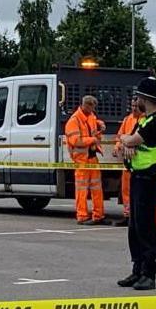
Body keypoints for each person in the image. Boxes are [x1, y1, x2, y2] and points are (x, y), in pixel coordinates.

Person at [117, 77, 156, 291]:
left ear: (146, 99)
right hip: (138, 177)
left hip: (150, 179)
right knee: (135, 227)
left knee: (145, 227)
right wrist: (127, 142)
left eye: (138, 97)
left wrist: (128, 142)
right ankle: (138, 269)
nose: (136, 101)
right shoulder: (145, 120)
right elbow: (127, 141)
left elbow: (130, 141)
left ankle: (149, 273)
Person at [66, 95, 106, 225]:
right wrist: (93, 140)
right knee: (82, 190)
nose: (93, 110)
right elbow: (76, 141)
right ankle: (82, 215)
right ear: (86, 105)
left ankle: (98, 214)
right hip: (81, 160)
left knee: (96, 188)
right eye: (92, 107)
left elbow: (93, 130)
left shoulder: (91, 117)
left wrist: (100, 125)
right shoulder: (74, 121)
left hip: (92, 157)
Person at [113, 97, 144, 226]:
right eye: (132, 105)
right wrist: (117, 146)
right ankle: (127, 215)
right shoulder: (128, 119)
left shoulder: (145, 120)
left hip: (139, 163)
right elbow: (120, 136)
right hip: (127, 163)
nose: (133, 108)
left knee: (137, 192)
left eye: (136, 106)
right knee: (126, 190)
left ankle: (137, 217)